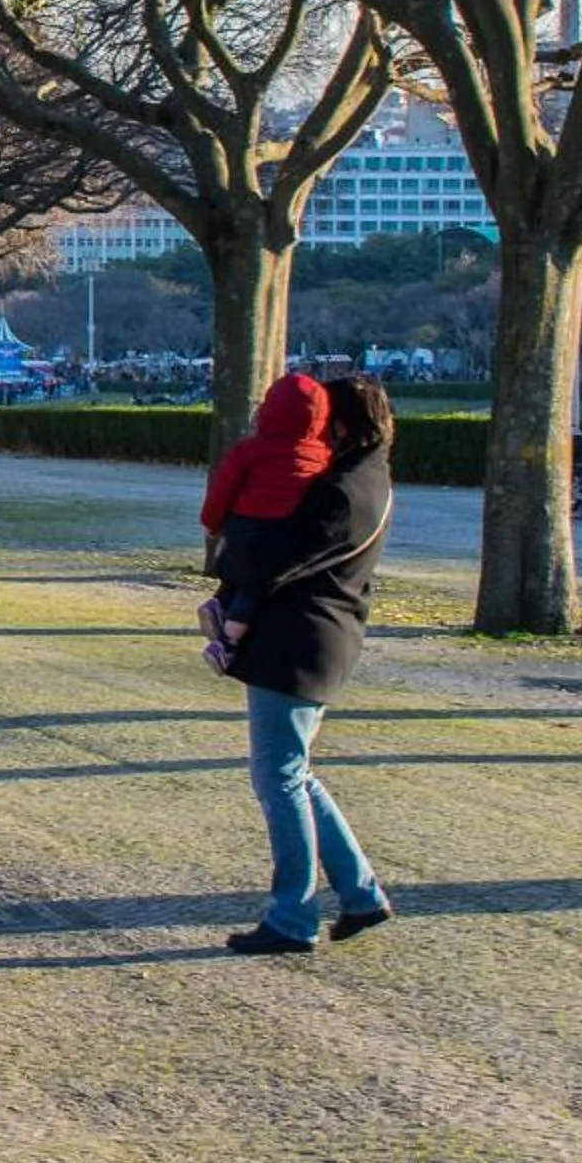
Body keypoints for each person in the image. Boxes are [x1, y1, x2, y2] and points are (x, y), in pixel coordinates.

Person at [210, 374, 399, 956]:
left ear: (338, 423)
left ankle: (293, 916)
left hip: (299, 641)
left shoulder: (339, 490)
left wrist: (234, 617)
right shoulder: (369, 480)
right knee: (296, 773)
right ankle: (361, 892)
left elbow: (281, 562)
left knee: (279, 778)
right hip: (322, 638)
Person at [197, 373, 335, 664]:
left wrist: (212, 523)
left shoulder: (249, 451)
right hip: (283, 532)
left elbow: (223, 490)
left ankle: (219, 602)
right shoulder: (322, 457)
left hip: (243, 526)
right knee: (256, 589)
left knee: (242, 571)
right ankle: (228, 642)